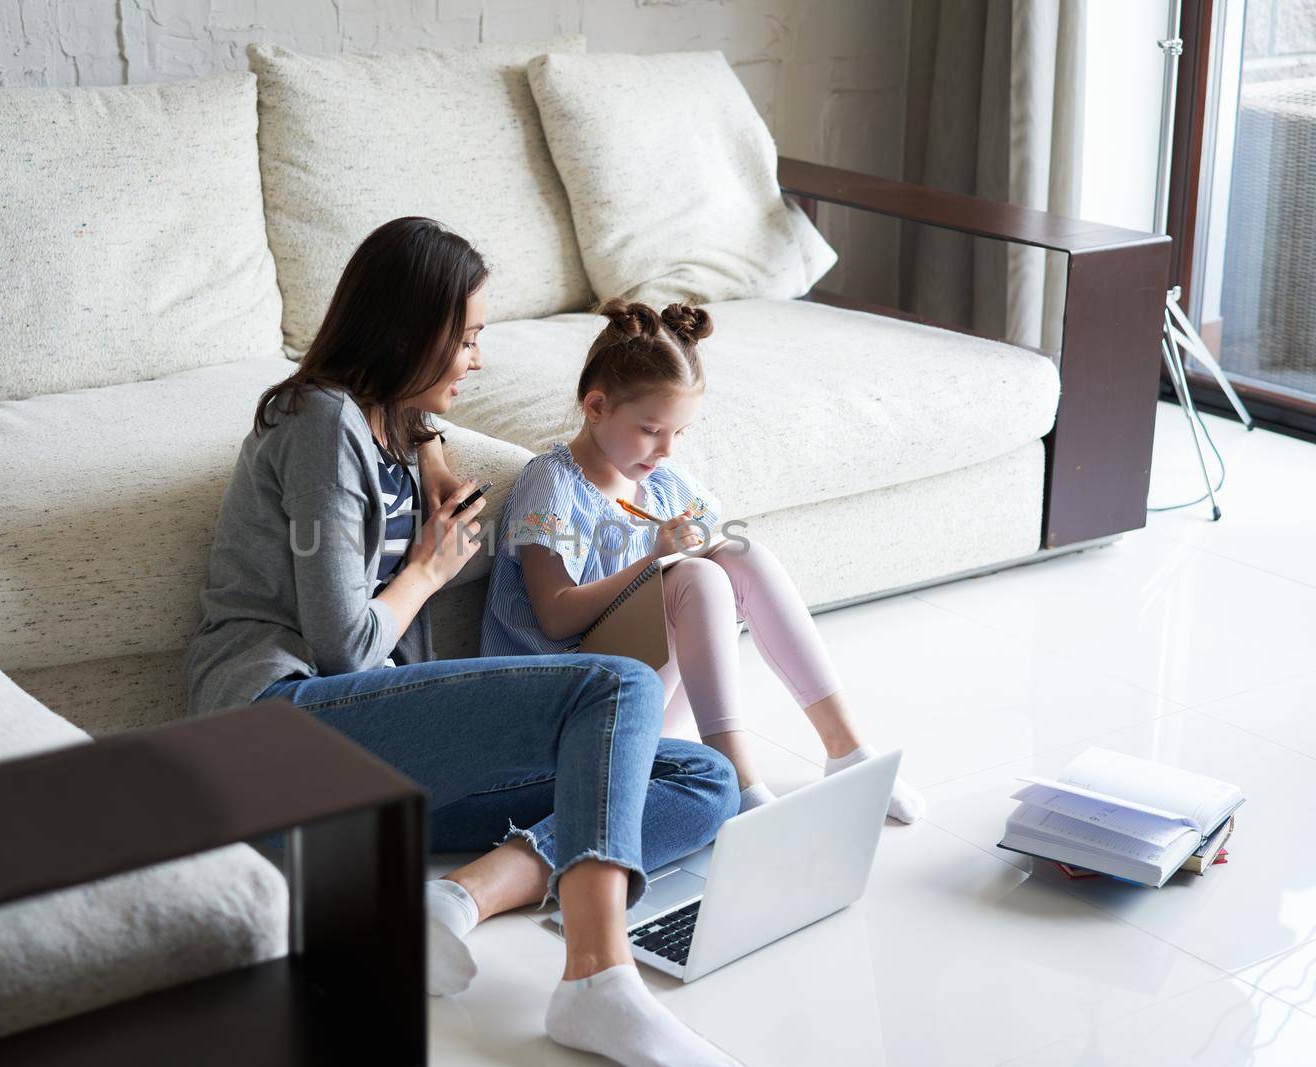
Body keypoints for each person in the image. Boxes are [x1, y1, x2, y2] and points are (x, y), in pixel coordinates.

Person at [185, 218, 740, 1067]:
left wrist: (431, 446)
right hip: (273, 728)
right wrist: (429, 569)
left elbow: (411, 423)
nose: (477, 357)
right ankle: (599, 981)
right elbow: (342, 648)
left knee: (702, 779)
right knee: (618, 686)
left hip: (364, 789)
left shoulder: (388, 422)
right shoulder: (318, 423)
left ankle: (457, 901)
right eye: (468, 337)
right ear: (411, 334)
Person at [481, 298, 925, 823]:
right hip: (564, 705)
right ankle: (739, 780)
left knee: (739, 555)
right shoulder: (554, 485)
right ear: (596, 406)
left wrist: (691, 553)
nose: (666, 449)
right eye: (651, 429)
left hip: (638, 694)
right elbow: (555, 616)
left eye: (678, 433)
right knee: (694, 575)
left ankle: (846, 750)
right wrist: (654, 560)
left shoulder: (660, 482)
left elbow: (716, 562)